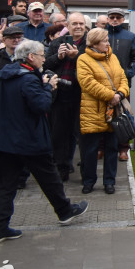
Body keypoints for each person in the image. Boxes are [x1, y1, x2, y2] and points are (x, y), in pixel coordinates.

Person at [0, 40, 89, 243]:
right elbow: (41, 105)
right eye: (41, 55)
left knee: (7, 185)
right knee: (49, 177)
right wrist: (48, 87)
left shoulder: (8, 74)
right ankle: (65, 211)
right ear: (31, 57)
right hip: (28, 139)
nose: (43, 58)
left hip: (5, 140)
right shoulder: (28, 80)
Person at [77, 28, 129, 195]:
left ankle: (109, 182)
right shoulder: (83, 60)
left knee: (112, 147)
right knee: (90, 149)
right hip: (92, 110)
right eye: (105, 40)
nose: (108, 43)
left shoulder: (112, 57)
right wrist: (110, 96)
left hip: (112, 111)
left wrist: (120, 94)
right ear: (94, 43)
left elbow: (122, 78)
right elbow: (87, 83)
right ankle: (89, 181)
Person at [44, 12, 89, 182]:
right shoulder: (57, 43)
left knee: (80, 134)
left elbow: (93, 66)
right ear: (68, 27)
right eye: (74, 24)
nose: (78, 27)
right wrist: (59, 57)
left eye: (81, 24)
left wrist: (76, 56)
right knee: (59, 133)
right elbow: (45, 65)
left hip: (80, 95)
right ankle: (61, 168)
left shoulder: (89, 44)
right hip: (60, 95)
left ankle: (85, 172)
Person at [105, 8, 135, 161]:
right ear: (107, 19)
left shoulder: (130, 36)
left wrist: (128, 73)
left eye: (118, 17)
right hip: (103, 83)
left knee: (123, 116)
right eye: (112, 17)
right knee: (102, 116)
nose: (114, 20)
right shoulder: (101, 35)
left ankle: (123, 149)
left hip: (123, 85)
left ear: (123, 19)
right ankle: (102, 147)